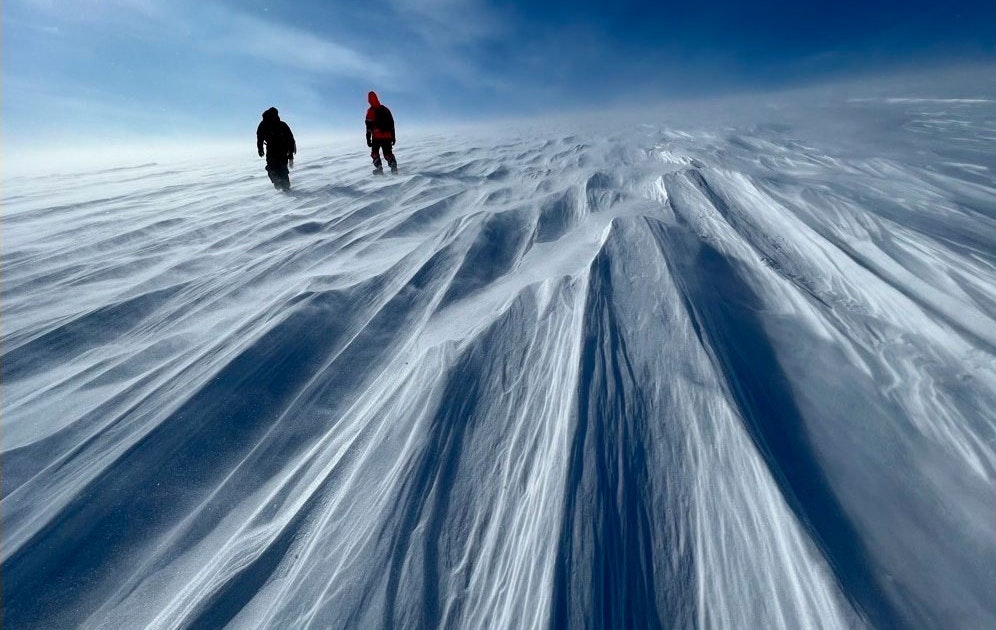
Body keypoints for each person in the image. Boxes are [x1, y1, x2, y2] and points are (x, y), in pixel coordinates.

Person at [256, 107, 296, 191]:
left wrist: (291, 153)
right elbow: (260, 137)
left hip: (281, 149)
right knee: (274, 168)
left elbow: (290, 139)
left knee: (279, 168)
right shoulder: (264, 124)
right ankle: (281, 186)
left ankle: (284, 187)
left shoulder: (280, 125)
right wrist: (260, 149)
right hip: (273, 149)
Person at [365, 91, 397, 174]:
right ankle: (392, 163)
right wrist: (393, 136)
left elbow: (368, 126)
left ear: (369, 100)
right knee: (388, 153)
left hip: (376, 136)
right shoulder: (386, 109)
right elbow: (392, 123)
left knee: (375, 153)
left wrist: (368, 139)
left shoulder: (370, 111)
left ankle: (379, 168)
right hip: (388, 135)